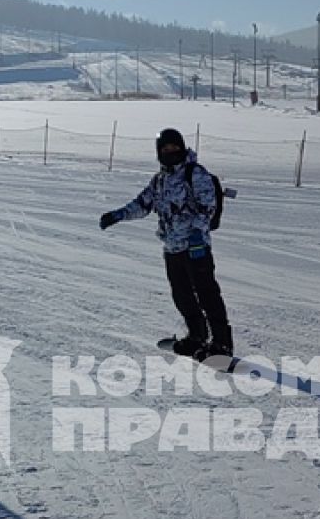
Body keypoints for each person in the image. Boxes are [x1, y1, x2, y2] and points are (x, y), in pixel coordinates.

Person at [99, 127, 233, 360]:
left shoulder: (195, 173)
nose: (171, 152)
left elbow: (207, 206)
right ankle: (197, 336)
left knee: (207, 293)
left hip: (196, 248)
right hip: (172, 248)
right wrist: (117, 215)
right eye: (165, 148)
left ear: (182, 148)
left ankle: (222, 343)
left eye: (175, 147)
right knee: (182, 296)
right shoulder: (159, 180)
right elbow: (142, 204)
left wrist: (196, 234)